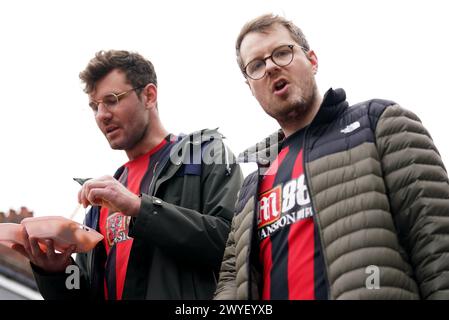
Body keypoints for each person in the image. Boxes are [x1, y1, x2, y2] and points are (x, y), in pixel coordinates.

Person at [214, 13, 449, 300]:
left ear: (312, 61)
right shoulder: (252, 185)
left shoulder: (379, 124)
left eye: (282, 53)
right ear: (250, 88)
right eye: (257, 65)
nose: (272, 67)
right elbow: (230, 281)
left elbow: (437, 243)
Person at [13, 50, 243, 300]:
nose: (101, 115)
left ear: (149, 96)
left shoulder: (205, 155)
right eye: (94, 106)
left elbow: (235, 248)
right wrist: (57, 272)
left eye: (111, 100)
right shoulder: (102, 198)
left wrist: (139, 207)